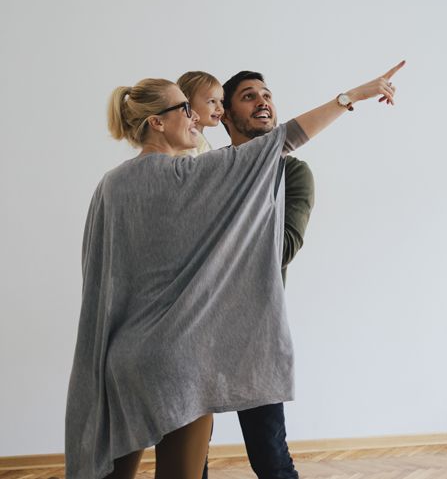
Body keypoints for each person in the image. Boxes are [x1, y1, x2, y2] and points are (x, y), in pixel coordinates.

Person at [65, 60, 405, 479]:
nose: (196, 117)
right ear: (157, 121)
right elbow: (291, 136)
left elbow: (101, 274)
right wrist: (351, 96)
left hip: (123, 360)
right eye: (186, 110)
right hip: (179, 360)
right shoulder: (197, 173)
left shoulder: (110, 185)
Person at [195, 70, 316, 479]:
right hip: (194, 326)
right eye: (249, 96)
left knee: (271, 459)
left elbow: (282, 249)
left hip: (255, 331)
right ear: (225, 115)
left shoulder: (293, 173)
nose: (263, 101)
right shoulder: (205, 170)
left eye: (267, 95)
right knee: (190, 461)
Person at [176, 71, 225, 156]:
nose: (220, 109)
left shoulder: (197, 138)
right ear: (187, 102)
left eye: (221, 101)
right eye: (212, 101)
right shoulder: (187, 140)